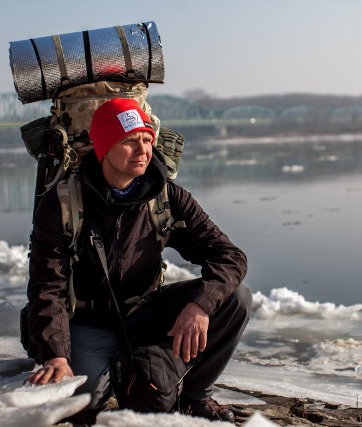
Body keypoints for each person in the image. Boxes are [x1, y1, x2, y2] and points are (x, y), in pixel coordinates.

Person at [24, 97, 251, 423]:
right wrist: (55, 355)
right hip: (89, 321)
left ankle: (193, 395)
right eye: (129, 141)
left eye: (147, 139)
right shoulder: (62, 204)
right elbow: (48, 287)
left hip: (147, 311)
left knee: (235, 298)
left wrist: (201, 304)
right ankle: (119, 371)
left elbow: (230, 256)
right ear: (103, 147)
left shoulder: (167, 197)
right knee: (80, 402)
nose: (143, 150)